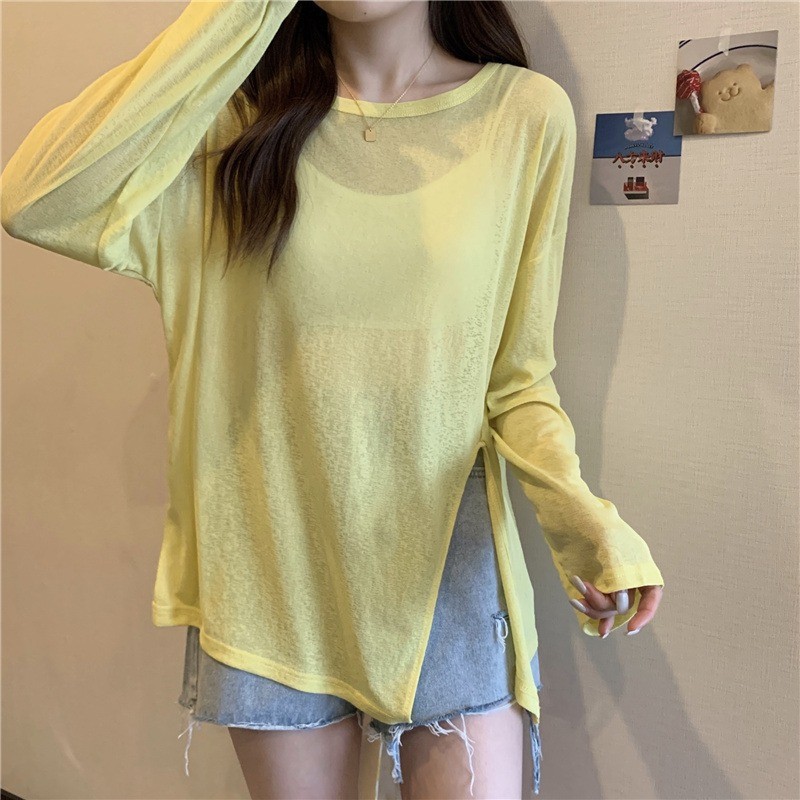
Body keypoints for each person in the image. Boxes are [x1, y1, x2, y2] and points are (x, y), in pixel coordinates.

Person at [0, 1, 665, 798]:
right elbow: (36, 199)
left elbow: (516, 375)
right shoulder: (229, 129)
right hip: (271, 575)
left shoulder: (523, 116)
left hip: (443, 575)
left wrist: (578, 517)